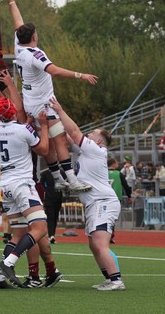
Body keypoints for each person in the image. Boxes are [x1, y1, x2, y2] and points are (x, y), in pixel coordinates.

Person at [7, 0, 97, 193]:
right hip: (44, 104)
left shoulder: (19, 48)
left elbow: (18, 22)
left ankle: (57, 178)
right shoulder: (35, 55)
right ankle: (72, 179)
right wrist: (80, 75)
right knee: (60, 139)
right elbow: (54, 70)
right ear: (34, 37)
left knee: (47, 142)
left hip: (31, 102)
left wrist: (11, 0)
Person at [50, 96, 125, 291]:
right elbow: (65, 136)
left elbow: (74, 132)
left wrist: (59, 109)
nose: (89, 134)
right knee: (93, 245)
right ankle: (110, 278)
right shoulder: (89, 151)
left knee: (100, 244)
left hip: (102, 202)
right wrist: (49, 118)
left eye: (92, 133)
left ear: (99, 140)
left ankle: (116, 281)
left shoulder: (97, 150)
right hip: (95, 203)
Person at [0, 97, 62, 288]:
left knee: (18, 233)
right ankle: (8, 264)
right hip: (22, 184)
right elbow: (44, 149)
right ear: (13, 111)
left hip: (5, 185)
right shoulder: (23, 130)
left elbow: (15, 133)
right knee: (40, 228)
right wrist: (44, 127)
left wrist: (27, 125)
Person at [40, 170, 64, 244]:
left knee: (55, 217)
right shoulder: (45, 173)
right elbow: (41, 184)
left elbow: (65, 182)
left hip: (58, 198)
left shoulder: (61, 173)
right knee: (50, 217)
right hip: (48, 199)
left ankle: (52, 235)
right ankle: (51, 236)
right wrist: (47, 190)